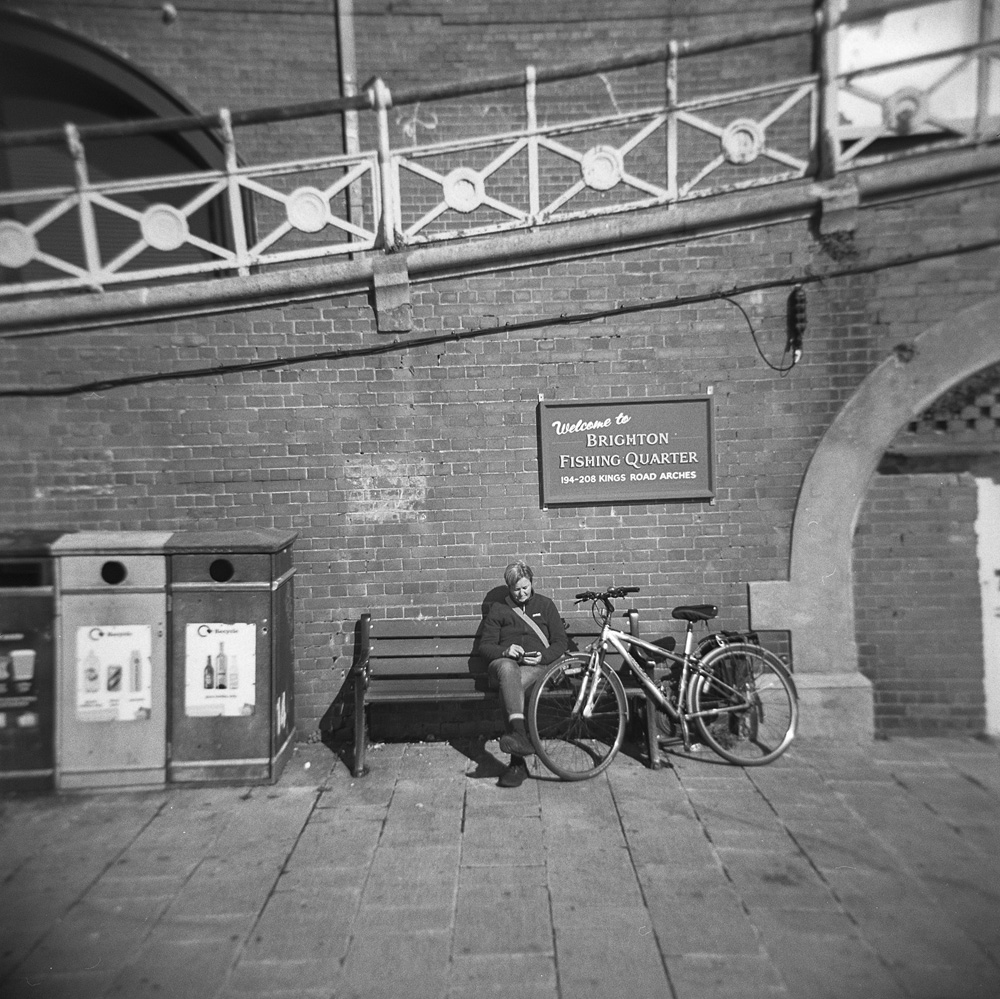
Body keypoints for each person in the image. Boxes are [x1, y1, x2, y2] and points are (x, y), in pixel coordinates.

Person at [477, 561, 568, 787]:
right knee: (509, 672)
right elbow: (485, 647)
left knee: (510, 688)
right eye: (516, 589)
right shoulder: (499, 609)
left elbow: (560, 642)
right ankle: (519, 734)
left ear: (532, 583)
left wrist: (543, 657)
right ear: (509, 588)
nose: (521, 593)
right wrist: (505, 651)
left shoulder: (546, 605)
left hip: (536, 667)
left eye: (525, 587)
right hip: (504, 665)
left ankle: (517, 763)